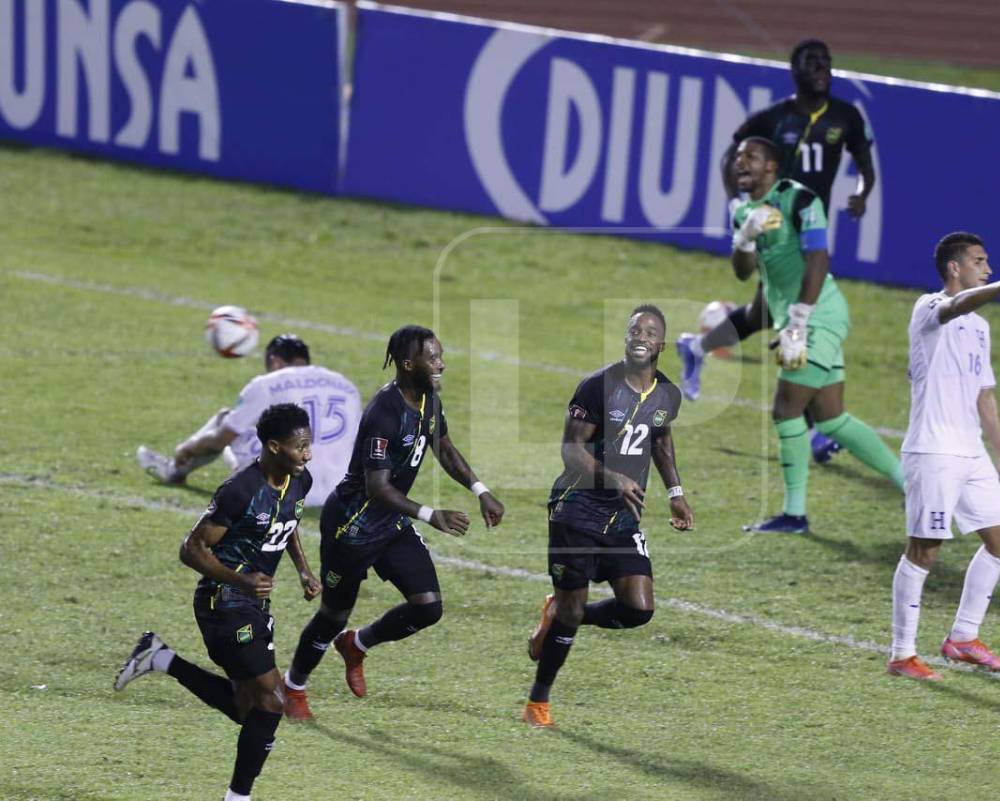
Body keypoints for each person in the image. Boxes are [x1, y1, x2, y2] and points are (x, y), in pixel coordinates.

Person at [280, 325, 505, 720]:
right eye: (432, 358)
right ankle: (293, 687)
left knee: (428, 607)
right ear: (407, 364)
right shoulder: (384, 412)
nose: (441, 364)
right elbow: (377, 486)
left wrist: (480, 489)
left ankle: (357, 645)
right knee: (333, 615)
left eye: (440, 356)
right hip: (351, 526)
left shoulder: (428, 398)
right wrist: (429, 514)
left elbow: (443, 445)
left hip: (390, 524)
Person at [677, 38, 875, 463]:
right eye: (813, 62)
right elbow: (733, 152)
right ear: (796, 71)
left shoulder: (846, 116)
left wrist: (862, 193)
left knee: (765, 313)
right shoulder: (775, 117)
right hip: (777, 232)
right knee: (796, 317)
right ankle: (811, 432)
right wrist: (736, 202)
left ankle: (695, 348)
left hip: (813, 226)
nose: (823, 68)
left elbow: (865, 164)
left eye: (827, 61)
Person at [114, 403, 322, 801]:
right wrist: (241, 580)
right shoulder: (241, 490)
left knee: (249, 710)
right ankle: (237, 797)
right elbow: (191, 550)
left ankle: (160, 658)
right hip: (221, 602)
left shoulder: (300, 480)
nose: (307, 454)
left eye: (308, 445)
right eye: (300, 447)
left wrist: (304, 570)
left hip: (252, 605)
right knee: (272, 700)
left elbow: (289, 521)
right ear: (274, 446)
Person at [720, 137, 904, 534]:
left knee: (786, 409)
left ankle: (795, 514)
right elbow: (741, 271)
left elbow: (819, 258)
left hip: (817, 314)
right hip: (799, 318)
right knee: (831, 418)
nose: (741, 164)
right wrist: (746, 237)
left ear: (772, 166)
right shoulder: (743, 211)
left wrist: (799, 319)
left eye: (750, 157)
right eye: (738, 159)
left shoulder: (801, 201)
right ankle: (911, 483)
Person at [522, 305, 694, 729]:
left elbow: (660, 440)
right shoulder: (598, 386)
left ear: (661, 345)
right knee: (573, 608)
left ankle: (559, 612)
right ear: (625, 337)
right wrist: (613, 477)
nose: (641, 335)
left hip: (622, 516)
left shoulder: (666, 394)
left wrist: (675, 492)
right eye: (635, 328)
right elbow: (571, 449)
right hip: (576, 510)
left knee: (638, 608)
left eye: (650, 331)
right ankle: (537, 703)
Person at [887, 232, 1000, 681]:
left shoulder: (981, 327)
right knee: (925, 550)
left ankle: (962, 638)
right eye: (980, 261)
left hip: (970, 452)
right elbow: (957, 306)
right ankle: (902, 654)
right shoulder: (929, 307)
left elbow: (986, 395)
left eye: (990, 263)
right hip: (934, 451)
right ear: (955, 268)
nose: (988, 268)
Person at [137, 334, 361, 506]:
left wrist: (186, 448)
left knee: (226, 421)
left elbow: (220, 438)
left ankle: (174, 469)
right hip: (340, 491)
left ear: (274, 362)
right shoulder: (344, 384)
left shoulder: (267, 384)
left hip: (288, 491)